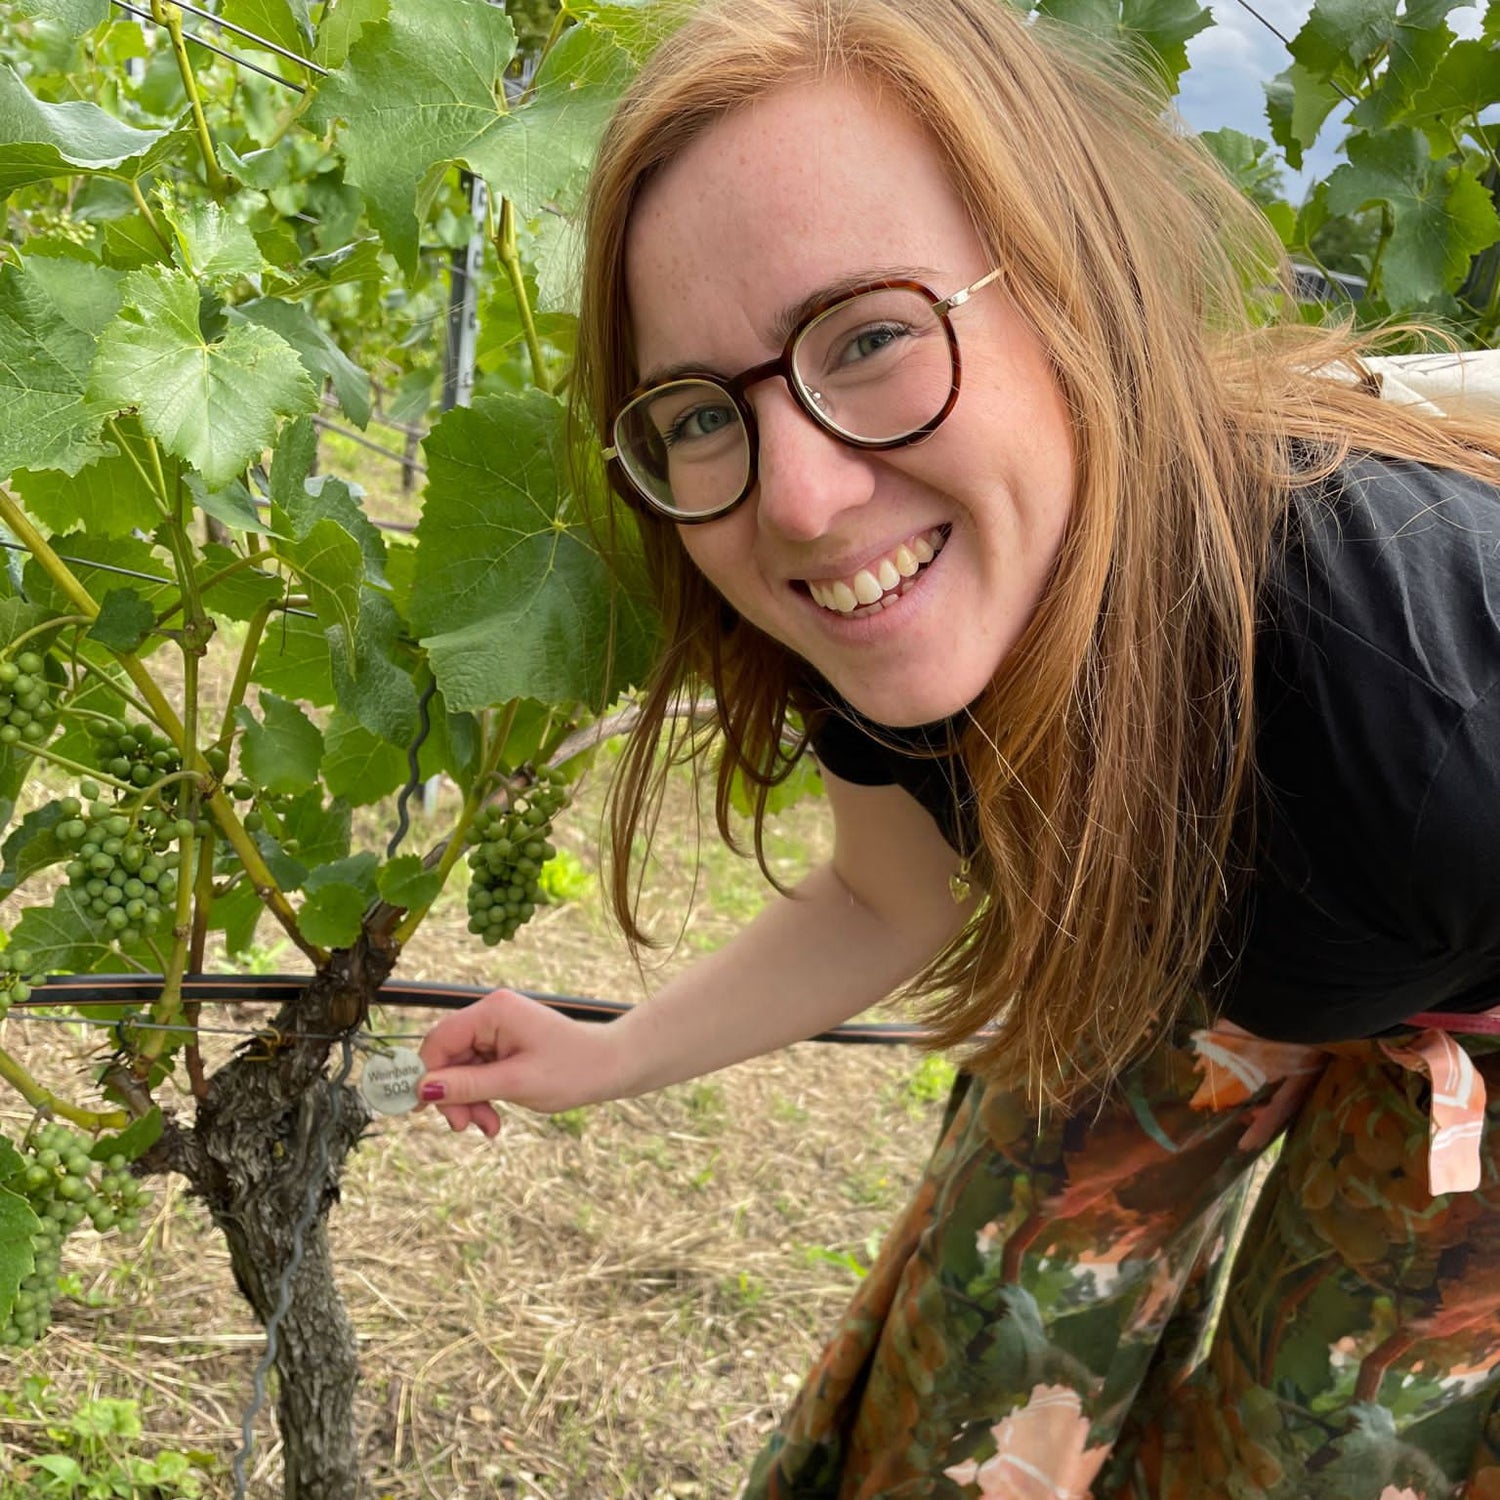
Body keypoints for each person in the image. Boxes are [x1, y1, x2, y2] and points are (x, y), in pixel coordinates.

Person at [416, 0, 1500, 1492]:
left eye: (868, 335)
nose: (797, 501)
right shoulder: (894, 612)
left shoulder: (1428, 693)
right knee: (986, 1363)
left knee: (1319, 1450)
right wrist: (610, 1055)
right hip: (1150, 887)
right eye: (696, 413)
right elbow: (887, 897)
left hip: (1456, 973)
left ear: (1071, 290)